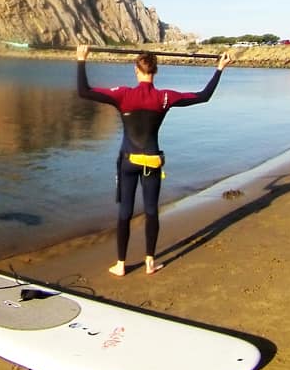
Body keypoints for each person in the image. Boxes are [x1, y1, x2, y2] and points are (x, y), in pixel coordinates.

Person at [76, 45, 232, 276]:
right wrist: (220, 68)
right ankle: (150, 261)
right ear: (155, 72)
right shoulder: (165, 97)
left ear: (136, 70)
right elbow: (203, 96)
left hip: (128, 162)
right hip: (152, 162)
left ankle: (121, 264)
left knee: (125, 212)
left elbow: (84, 91)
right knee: (151, 211)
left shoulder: (123, 94)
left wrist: (81, 59)